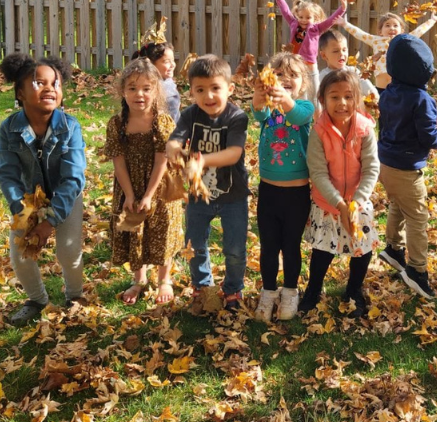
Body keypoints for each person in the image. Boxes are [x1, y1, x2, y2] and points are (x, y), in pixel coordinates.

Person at [0, 53, 86, 326]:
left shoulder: (70, 127)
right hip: (27, 199)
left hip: (65, 196)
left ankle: (75, 296)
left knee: (68, 250)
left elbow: (73, 178)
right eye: (39, 83)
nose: (49, 88)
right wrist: (22, 212)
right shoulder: (9, 129)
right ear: (20, 93)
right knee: (20, 252)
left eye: (55, 83)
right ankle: (37, 300)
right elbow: (7, 175)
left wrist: (50, 221)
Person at [166, 55, 249, 312]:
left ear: (230, 89)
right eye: (200, 90)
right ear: (191, 91)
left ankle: (233, 289)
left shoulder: (237, 117)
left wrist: (202, 161)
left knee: (234, 249)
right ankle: (202, 287)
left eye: (215, 88)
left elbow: (233, 153)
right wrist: (173, 149)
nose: (208, 96)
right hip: (198, 196)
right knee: (194, 245)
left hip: (233, 196)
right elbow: (175, 139)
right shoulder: (190, 115)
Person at [299, 70, 381, 318]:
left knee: (362, 249)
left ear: (357, 98)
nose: (342, 103)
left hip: (358, 202)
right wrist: (338, 203)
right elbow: (318, 172)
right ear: (322, 99)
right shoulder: (319, 131)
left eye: (348, 96)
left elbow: (371, 168)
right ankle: (313, 290)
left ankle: (354, 291)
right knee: (323, 251)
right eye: (334, 97)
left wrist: (356, 202)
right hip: (327, 202)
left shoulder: (365, 129)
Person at [103, 59, 183, 306]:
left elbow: (161, 161)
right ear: (123, 91)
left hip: (159, 185)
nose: (140, 94)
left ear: (156, 91)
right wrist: (129, 194)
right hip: (129, 182)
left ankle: (164, 278)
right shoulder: (117, 124)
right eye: (133, 88)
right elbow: (118, 162)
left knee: (162, 228)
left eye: (147, 88)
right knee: (134, 226)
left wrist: (149, 195)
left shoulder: (163, 122)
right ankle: (139, 279)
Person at [376, 34, 437, 299]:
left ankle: (393, 249)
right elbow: (428, 136)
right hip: (406, 168)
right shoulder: (421, 99)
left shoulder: (388, 93)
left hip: (386, 162)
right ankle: (417, 270)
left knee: (398, 203)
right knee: (417, 217)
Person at [251, 53, 315, 321]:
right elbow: (258, 110)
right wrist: (259, 92)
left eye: (293, 75)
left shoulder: (305, 107)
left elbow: (297, 116)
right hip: (268, 191)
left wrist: (284, 98)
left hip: (297, 193)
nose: (285, 79)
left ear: (303, 83)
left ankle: (290, 291)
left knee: (291, 245)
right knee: (268, 246)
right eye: (278, 74)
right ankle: (268, 291)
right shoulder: (269, 110)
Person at [270, 0, 348, 101]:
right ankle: (299, 108)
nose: (303, 20)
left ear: (315, 18)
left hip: (310, 64)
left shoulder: (317, 28)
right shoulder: (294, 24)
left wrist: (342, 9)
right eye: (301, 17)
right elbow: (285, 11)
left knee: (314, 92)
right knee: (299, 90)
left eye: (308, 17)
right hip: (295, 63)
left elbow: (331, 20)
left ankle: (316, 109)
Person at [337, 12, 437, 91]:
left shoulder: (403, 41)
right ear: (380, 31)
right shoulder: (375, 40)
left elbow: (419, 31)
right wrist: (345, 24)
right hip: (380, 86)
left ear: (402, 31)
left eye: (395, 25)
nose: (392, 28)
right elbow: (359, 34)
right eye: (387, 25)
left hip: (398, 86)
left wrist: (431, 20)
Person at [133, 18, 180, 123]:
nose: (173, 65)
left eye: (173, 60)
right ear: (151, 64)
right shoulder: (155, 89)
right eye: (167, 61)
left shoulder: (167, 81)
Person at [317, 29, 378, 103]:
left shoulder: (353, 71)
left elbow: (366, 85)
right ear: (324, 55)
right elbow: (318, 98)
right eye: (336, 51)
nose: (341, 54)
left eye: (344, 50)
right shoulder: (323, 76)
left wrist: (374, 96)